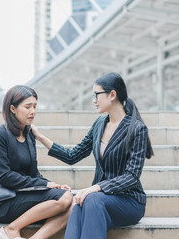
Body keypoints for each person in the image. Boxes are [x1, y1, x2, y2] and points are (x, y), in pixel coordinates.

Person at [31, 72, 154, 239]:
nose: (94, 100)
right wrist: (40, 137)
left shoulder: (137, 129)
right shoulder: (99, 124)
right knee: (79, 203)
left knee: (89, 199)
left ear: (112, 95)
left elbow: (132, 177)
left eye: (97, 95)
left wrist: (96, 187)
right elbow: (72, 155)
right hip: (98, 201)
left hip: (129, 200)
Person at [0, 85, 73, 239]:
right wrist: (45, 186)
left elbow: (33, 173)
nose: (33, 111)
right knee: (65, 198)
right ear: (13, 109)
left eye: (35, 106)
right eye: (27, 107)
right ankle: (11, 230)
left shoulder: (29, 134)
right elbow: (4, 176)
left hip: (24, 195)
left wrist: (53, 184)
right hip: (4, 201)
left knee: (72, 205)